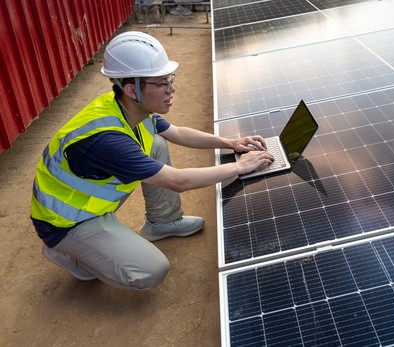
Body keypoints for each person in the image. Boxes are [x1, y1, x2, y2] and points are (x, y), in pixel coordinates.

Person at [30, 31, 274, 290]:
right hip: (65, 222)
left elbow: (177, 133)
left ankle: (163, 222)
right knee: (152, 270)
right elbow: (178, 181)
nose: (172, 89)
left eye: (170, 80)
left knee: (155, 142)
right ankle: (73, 256)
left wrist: (230, 143)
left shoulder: (130, 108)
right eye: (162, 84)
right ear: (131, 89)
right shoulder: (107, 140)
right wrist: (240, 165)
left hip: (90, 202)